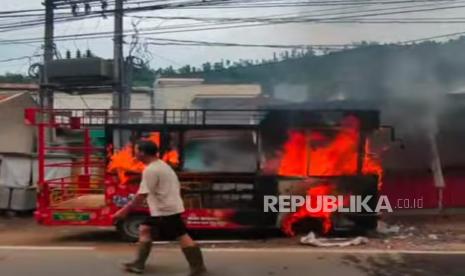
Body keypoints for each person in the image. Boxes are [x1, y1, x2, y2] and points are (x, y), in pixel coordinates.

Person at [112, 140, 207, 275]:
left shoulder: (151, 170)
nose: (135, 155)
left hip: (165, 210)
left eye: (137, 151)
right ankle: (139, 264)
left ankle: (199, 269)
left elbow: (142, 195)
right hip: (164, 208)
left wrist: (123, 211)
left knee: (182, 236)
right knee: (145, 228)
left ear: (143, 153)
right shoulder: (162, 165)